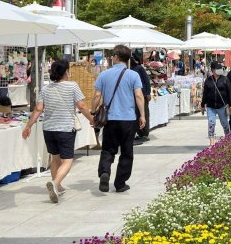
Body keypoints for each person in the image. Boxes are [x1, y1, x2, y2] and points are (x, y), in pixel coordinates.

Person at [22, 60, 94, 203]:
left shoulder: (46, 89)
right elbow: (82, 105)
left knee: (55, 158)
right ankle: (55, 184)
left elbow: (38, 109)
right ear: (66, 71)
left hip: (48, 128)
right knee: (67, 161)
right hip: (65, 128)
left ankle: (58, 185)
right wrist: (91, 119)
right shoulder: (72, 86)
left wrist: (28, 126)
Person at [91, 45, 145, 193]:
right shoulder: (133, 75)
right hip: (128, 118)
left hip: (110, 119)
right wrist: (142, 115)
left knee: (108, 149)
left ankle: (104, 172)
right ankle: (120, 183)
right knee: (127, 152)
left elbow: (96, 96)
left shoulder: (104, 75)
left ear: (115, 57)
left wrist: (92, 112)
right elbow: (139, 96)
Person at [201, 61, 231, 146]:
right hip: (210, 106)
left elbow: (230, 92)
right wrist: (202, 105)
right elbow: (205, 93)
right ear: (212, 70)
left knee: (224, 123)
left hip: (222, 106)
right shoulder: (208, 81)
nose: (220, 70)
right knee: (211, 122)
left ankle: (227, 138)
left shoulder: (225, 79)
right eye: (217, 68)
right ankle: (212, 140)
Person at [131, 54, 151, 144]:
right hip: (133, 96)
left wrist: (147, 93)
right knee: (136, 114)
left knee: (144, 113)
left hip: (142, 94)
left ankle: (144, 134)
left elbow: (146, 81)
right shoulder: (128, 70)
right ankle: (139, 132)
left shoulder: (139, 68)